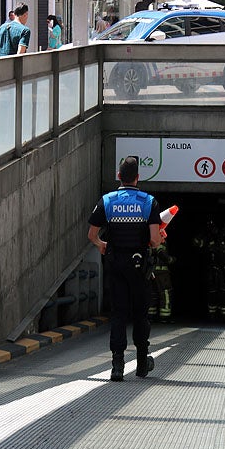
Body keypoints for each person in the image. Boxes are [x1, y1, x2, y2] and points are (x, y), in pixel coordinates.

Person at [87, 156, 162, 381]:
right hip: (139, 267)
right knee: (140, 314)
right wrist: (157, 238)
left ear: (119, 177)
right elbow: (155, 240)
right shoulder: (149, 202)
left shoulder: (107, 201)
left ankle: (117, 366)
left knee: (119, 314)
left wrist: (102, 245)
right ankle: (141, 364)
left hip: (116, 264)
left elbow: (92, 235)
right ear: (138, 178)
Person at [148, 241, 175, 323]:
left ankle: (151, 316)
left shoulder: (147, 237)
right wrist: (171, 259)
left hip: (150, 271)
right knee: (165, 292)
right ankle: (165, 317)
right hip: (161, 272)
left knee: (152, 293)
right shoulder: (158, 238)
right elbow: (161, 254)